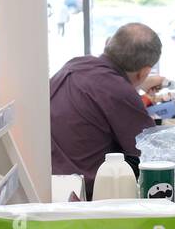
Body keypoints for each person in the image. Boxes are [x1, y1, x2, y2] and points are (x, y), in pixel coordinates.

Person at [50, 23, 165, 199]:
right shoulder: (120, 92)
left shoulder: (73, 65)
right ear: (144, 73)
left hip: (49, 181)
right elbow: (152, 150)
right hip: (90, 194)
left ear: (108, 43)